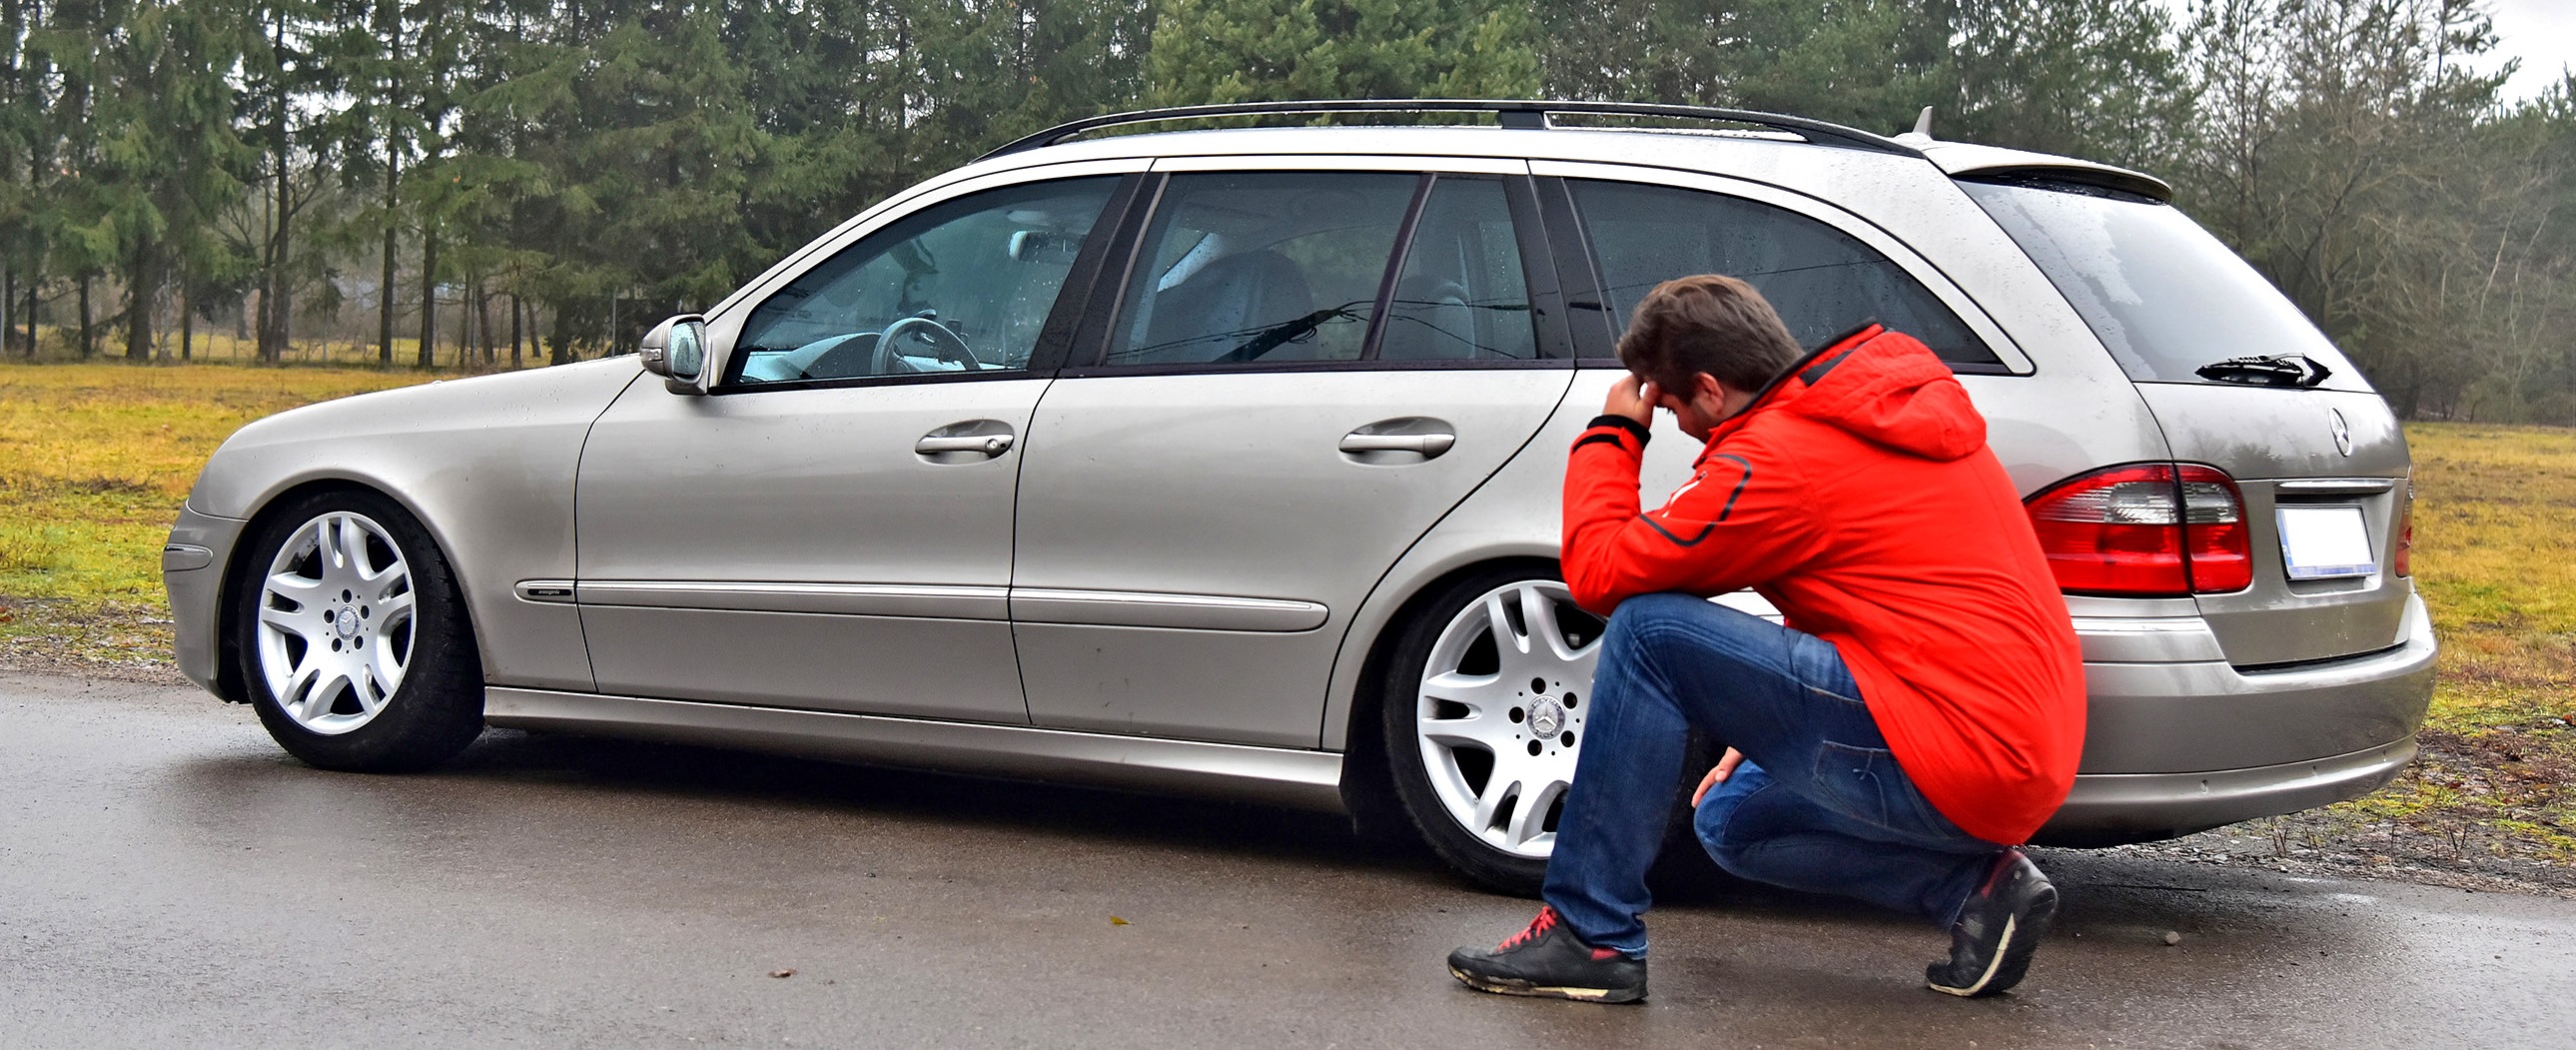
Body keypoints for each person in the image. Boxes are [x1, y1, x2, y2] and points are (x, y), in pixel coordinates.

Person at [1444, 275, 2088, 1003]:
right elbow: (1872, 593)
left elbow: (1599, 575)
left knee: (1648, 630)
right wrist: (1758, 723)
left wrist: (1613, 435)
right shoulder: (1872, 415)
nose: (1677, 424)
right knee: (1732, 820)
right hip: (2021, 753)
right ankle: (1978, 892)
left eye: (1671, 405)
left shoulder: (1776, 459)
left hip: (1955, 750)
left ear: (1710, 390)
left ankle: (1588, 933)